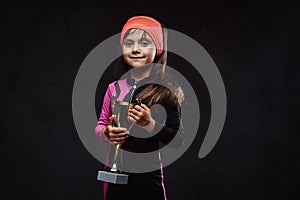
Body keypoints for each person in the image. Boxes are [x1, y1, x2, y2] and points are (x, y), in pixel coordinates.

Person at [94, 15, 185, 200]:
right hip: (114, 173)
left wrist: (150, 124)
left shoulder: (164, 92)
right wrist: (106, 133)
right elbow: (101, 124)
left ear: (158, 49)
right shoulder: (114, 88)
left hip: (146, 176)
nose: (135, 49)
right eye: (129, 43)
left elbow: (178, 139)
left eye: (144, 43)